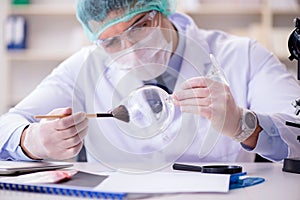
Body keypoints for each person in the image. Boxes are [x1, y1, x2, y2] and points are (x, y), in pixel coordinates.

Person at [0, 0, 299, 168]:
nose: (130, 46)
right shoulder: (84, 67)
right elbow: (6, 127)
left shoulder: (242, 55)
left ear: (162, 9)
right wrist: (32, 140)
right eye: (111, 41)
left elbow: (297, 132)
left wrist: (243, 125)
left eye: (140, 25)